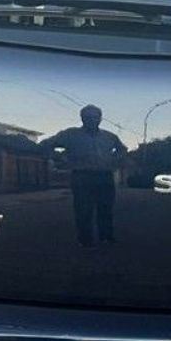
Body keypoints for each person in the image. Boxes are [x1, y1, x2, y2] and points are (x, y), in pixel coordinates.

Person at [40, 105, 128, 246]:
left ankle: (106, 237)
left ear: (100, 119)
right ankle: (85, 240)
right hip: (82, 176)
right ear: (82, 118)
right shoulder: (70, 135)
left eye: (95, 117)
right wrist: (58, 158)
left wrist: (114, 159)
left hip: (104, 175)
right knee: (83, 209)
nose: (92, 120)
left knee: (105, 208)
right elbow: (46, 144)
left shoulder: (109, 137)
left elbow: (122, 149)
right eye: (88, 117)